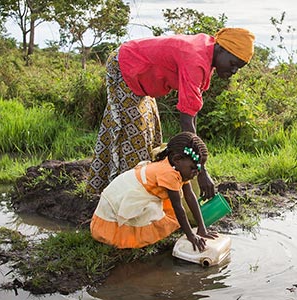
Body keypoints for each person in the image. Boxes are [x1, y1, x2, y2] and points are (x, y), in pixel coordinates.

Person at [88, 28, 256, 199]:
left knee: (152, 138)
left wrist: (197, 163)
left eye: (238, 68)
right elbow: (186, 122)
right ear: (221, 48)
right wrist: (201, 170)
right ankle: (120, 196)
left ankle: (113, 189)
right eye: (233, 63)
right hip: (126, 65)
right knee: (133, 138)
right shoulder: (196, 59)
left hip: (139, 75)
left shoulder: (207, 52)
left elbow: (192, 111)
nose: (234, 71)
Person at [90, 131, 218, 251]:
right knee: (168, 213)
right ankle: (115, 234)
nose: (196, 173)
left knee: (167, 212)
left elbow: (190, 196)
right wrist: (191, 236)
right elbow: (179, 208)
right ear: (177, 159)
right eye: (193, 168)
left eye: (199, 169)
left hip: (137, 192)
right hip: (120, 198)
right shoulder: (169, 173)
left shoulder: (178, 168)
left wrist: (202, 229)